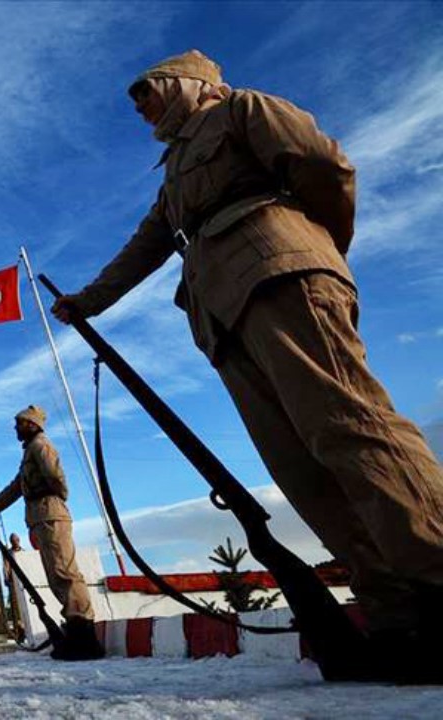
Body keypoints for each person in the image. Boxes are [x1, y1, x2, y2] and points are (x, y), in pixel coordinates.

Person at [50, 49, 443, 682]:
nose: (141, 106)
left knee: (352, 431)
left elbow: (324, 166)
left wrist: (305, 246)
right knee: (302, 468)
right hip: (223, 315)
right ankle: (398, 617)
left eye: (147, 90)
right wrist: (85, 303)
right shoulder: (174, 173)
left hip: (281, 279)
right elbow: (143, 249)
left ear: (186, 82)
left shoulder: (241, 109)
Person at [0, 405, 103, 660]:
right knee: (55, 574)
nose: (16, 428)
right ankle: (74, 626)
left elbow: (56, 475)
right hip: (40, 515)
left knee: (64, 572)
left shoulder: (40, 445)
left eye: (20, 424)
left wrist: (57, 497)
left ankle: (83, 633)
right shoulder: (29, 452)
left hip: (50, 512)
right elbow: (16, 487)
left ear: (32, 424)